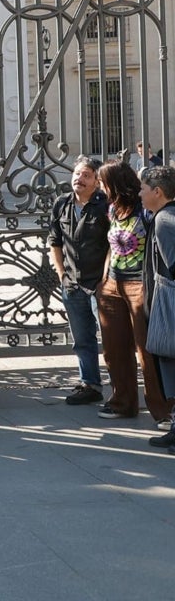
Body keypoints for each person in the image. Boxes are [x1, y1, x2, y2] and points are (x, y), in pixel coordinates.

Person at [96, 161, 171, 423]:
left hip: (139, 285)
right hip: (112, 284)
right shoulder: (113, 209)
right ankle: (122, 403)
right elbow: (112, 245)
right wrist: (105, 279)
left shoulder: (145, 210)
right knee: (114, 348)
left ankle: (163, 411)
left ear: (116, 183)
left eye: (103, 182)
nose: (100, 187)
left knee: (146, 350)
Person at [49, 156, 110, 405]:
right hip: (72, 285)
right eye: (76, 174)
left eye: (86, 175)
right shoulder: (61, 204)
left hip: (100, 284)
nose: (79, 179)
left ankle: (120, 387)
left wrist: (106, 279)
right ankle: (90, 385)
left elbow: (113, 244)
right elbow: (54, 241)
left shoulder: (105, 205)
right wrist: (61, 273)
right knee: (82, 340)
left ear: (97, 180)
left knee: (111, 340)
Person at [141, 166, 175, 450]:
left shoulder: (165, 219)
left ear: (157, 191)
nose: (140, 193)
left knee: (170, 363)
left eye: (143, 188)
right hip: (164, 302)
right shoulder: (163, 216)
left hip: (168, 304)